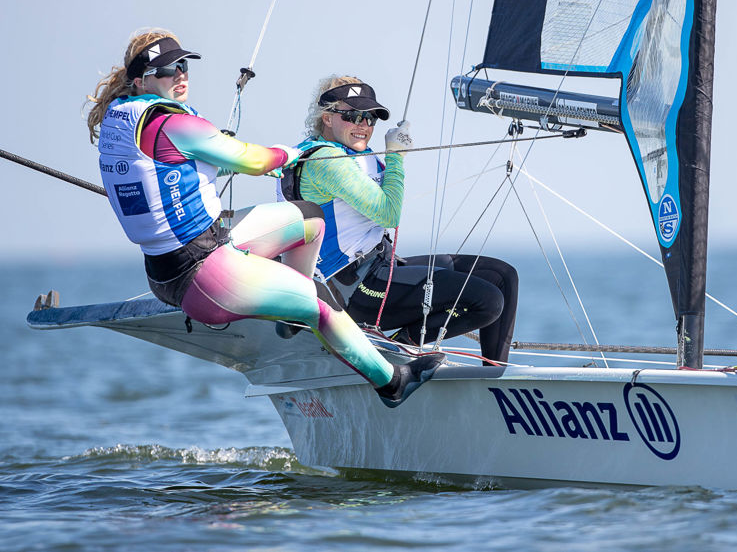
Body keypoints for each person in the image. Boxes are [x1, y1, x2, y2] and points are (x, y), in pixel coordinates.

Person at [85, 30, 442, 407]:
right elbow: (253, 161)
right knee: (319, 298)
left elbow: (181, 169)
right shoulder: (172, 123)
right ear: (141, 80)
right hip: (202, 275)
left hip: (174, 262)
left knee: (310, 219)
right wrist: (286, 155)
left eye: (182, 65)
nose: (179, 75)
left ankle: (292, 316)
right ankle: (392, 382)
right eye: (166, 70)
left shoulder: (124, 119)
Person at [279, 75, 518, 365]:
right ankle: (396, 351)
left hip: (378, 269)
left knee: (502, 276)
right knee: (487, 301)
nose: (363, 125)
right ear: (327, 118)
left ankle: (494, 375)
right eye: (353, 116)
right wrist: (395, 157)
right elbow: (389, 214)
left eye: (370, 118)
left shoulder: (351, 153)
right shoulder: (326, 161)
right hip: (350, 289)